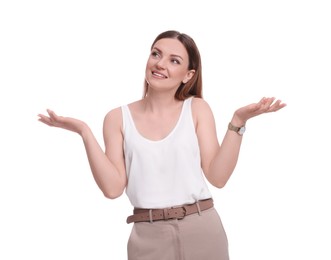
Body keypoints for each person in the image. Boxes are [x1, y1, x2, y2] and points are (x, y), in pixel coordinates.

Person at [38, 30, 286, 260]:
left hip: (203, 229)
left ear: (188, 75)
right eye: (156, 53)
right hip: (147, 237)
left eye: (174, 60)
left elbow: (218, 176)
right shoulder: (117, 118)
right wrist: (84, 132)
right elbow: (112, 189)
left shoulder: (197, 109)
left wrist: (238, 121)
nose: (160, 63)